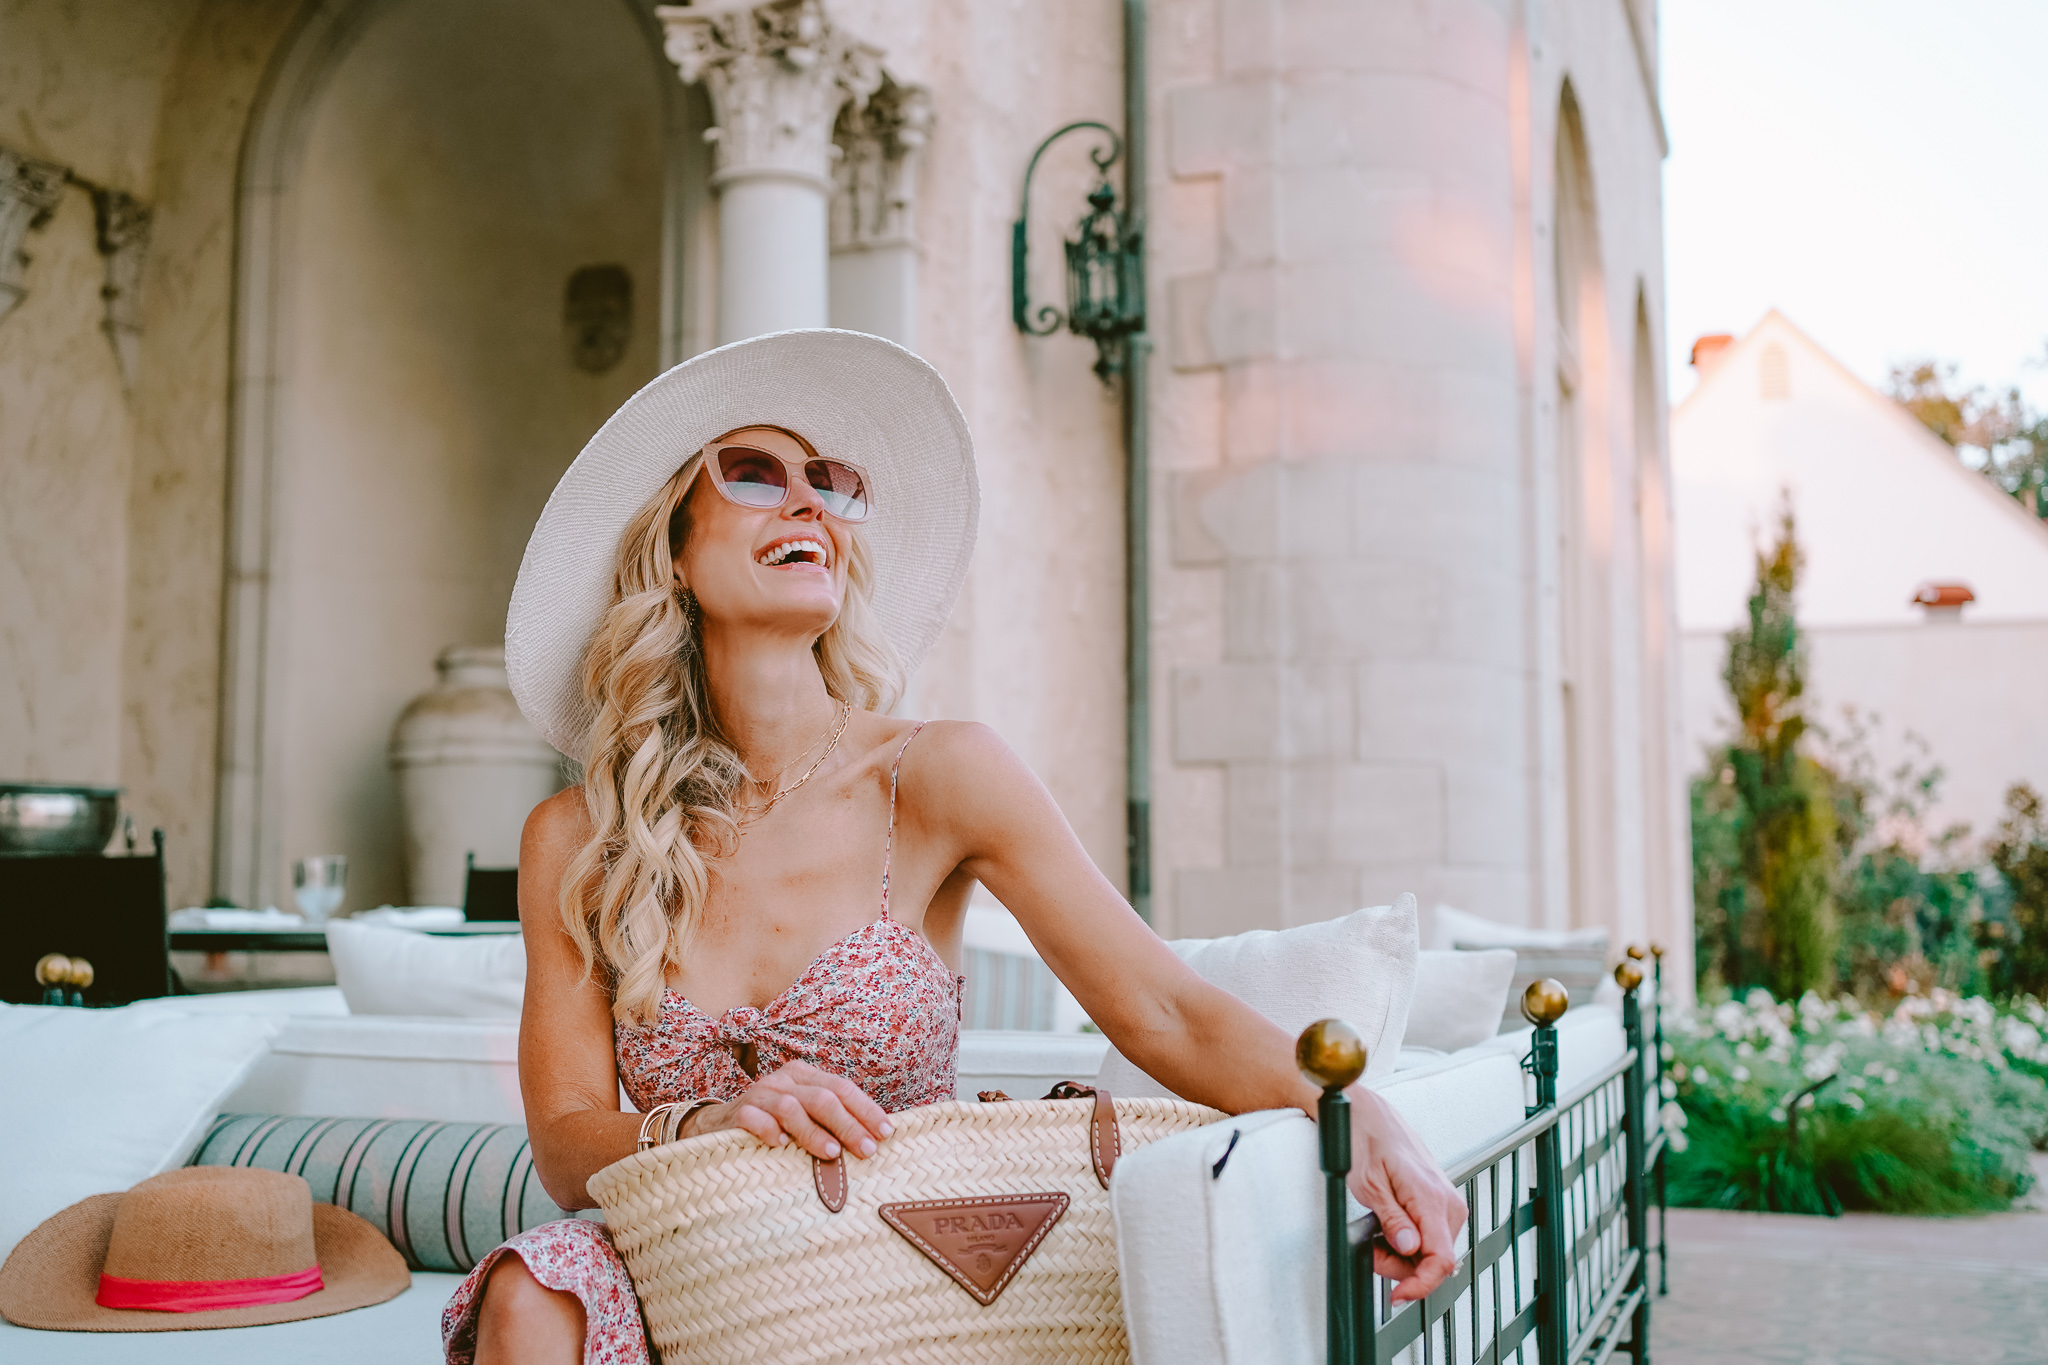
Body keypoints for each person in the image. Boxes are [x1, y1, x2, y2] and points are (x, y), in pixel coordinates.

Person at [442, 330, 1465, 1365]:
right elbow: (568, 1143)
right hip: (694, 1268)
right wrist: (710, 1121)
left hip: (898, 1271)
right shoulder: (580, 835)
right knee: (531, 1295)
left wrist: (1352, 1114)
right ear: (669, 546)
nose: (809, 505)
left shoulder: (935, 776)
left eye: (830, 485)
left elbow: (1159, 1008)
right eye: (754, 476)